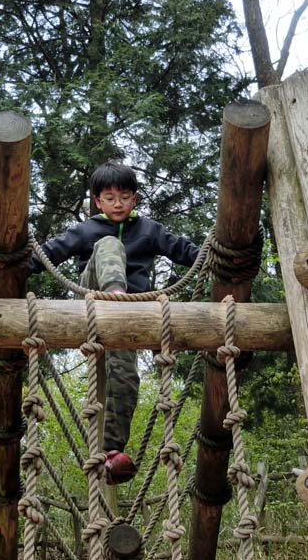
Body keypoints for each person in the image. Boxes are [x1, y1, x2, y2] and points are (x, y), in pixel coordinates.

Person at [29, 162, 200, 484]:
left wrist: (218, 251)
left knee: (125, 375)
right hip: (95, 299)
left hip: (128, 317)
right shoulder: (87, 230)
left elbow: (184, 251)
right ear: (97, 201)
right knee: (110, 244)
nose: (118, 204)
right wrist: (15, 261)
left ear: (134, 199)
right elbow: (49, 253)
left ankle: (111, 452)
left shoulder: (149, 230)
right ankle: (114, 291)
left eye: (124, 197)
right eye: (110, 198)